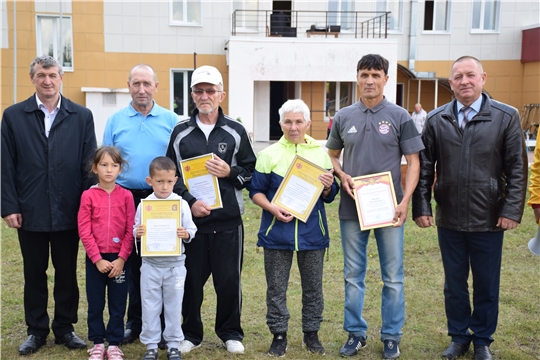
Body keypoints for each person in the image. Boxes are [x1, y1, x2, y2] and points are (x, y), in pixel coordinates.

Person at [412, 56, 527, 360]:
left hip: (489, 218)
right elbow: (425, 168)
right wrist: (422, 205)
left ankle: (483, 341)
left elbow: (518, 168)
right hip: (449, 217)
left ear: (483, 78)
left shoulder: (506, 116)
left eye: (470, 75)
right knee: (454, 283)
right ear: (450, 83)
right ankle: (459, 336)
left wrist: (512, 210)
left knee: (487, 284)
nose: (465, 81)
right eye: (458, 77)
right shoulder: (437, 119)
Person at [326, 54, 424, 359]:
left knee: (392, 276)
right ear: (357, 78)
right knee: (353, 274)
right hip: (352, 210)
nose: (370, 80)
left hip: (389, 209)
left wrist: (405, 201)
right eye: (364, 74)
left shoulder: (399, 116)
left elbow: (415, 161)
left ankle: (391, 336)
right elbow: (331, 154)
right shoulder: (344, 116)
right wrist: (341, 174)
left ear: (385, 79)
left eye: (376, 75)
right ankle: (356, 334)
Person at [1, 55, 96, 355]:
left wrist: (87, 209)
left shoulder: (81, 115)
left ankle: (65, 328)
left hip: (70, 209)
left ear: (61, 78)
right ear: (32, 78)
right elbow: (5, 164)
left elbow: (88, 166)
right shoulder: (14, 116)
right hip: (30, 211)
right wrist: (9, 206)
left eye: (53, 75)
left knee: (67, 272)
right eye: (41, 75)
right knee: (34, 272)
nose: (47, 81)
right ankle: (36, 330)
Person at [166, 65, 257, 355]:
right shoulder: (180, 132)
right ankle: (191, 333)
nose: (205, 95)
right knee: (191, 282)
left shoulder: (236, 131)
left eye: (210, 90)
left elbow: (251, 172)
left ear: (221, 95)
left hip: (229, 221)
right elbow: (171, 177)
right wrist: (191, 202)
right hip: (193, 224)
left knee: (229, 281)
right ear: (192, 95)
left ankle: (230, 332)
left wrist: (230, 171)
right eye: (199, 90)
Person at [247, 99, 339, 357]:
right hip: (277, 233)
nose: (294, 127)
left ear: (308, 124)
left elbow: (329, 195)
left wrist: (329, 186)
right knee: (276, 287)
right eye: (288, 121)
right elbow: (255, 191)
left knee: (313, 287)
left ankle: (312, 334)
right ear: (280, 124)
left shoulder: (321, 154)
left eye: (299, 121)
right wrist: (273, 208)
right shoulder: (268, 155)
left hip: (312, 234)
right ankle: (278, 335)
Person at [102, 64, 179, 345]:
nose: (142, 89)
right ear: (128, 86)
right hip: (125, 198)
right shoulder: (115, 120)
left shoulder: (172, 120)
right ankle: (136, 324)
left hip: (160, 198)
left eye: (147, 83)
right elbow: (106, 162)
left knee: (160, 261)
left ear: (157, 86)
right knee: (132, 262)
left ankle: (161, 326)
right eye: (136, 83)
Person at [134, 156, 197, 360]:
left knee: (173, 305)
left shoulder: (181, 204)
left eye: (169, 181)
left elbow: (191, 229)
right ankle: (151, 345)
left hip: (175, 266)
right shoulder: (145, 205)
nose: (164, 186)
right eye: (159, 181)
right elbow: (136, 229)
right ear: (149, 180)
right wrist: (138, 232)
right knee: (150, 305)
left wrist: (184, 234)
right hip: (151, 265)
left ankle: (173, 344)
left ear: (176, 180)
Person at [78, 146, 135, 360]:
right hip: (97, 259)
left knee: (118, 303)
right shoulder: (88, 196)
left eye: (114, 165)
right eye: (104, 165)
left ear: (121, 169)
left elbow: (131, 229)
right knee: (95, 302)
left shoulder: (127, 196)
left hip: (119, 259)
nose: (109, 170)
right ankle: (98, 343)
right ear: (95, 168)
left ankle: (113, 343)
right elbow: (84, 229)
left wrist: (121, 259)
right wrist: (97, 258)